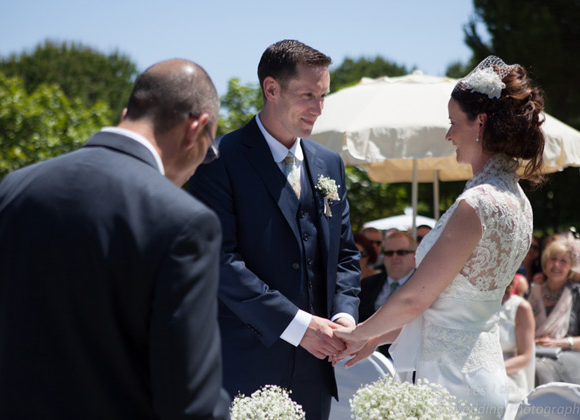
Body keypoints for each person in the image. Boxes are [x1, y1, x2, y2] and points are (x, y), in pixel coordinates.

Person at [0, 59, 230, 420]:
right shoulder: (184, 221)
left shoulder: (15, 188)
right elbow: (190, 405)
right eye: (209, 149)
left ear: (127, 113)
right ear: (195, 128)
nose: (202, 162)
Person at [333, 56, 546, 420]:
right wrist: (374, 339)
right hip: (484, 372)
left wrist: (357, 334)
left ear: (479, 123)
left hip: (447, 380)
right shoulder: (520, 204)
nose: (449, 135)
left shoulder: (476, 204)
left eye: (452, 123)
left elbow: (416, 298)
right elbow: (447, 302)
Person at [189, 40, 360, 420]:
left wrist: (344, 317)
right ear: (271, 89)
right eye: (307, 95)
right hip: (246, 367)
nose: (318, 109)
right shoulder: (218, 160)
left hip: (318, 371)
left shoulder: (330, 164)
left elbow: (346, 254)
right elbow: (220, 262)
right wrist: (298, 326)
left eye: (323, 96)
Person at [527, 239, 580, 386]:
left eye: (563, 261)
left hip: (569, 357)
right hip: (532, 351)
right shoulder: (531, 292)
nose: (556, 265)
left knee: (539, 369)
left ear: (570, 267)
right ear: (545, 262)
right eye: (553, 259)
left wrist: (556, 343)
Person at [357, 230, 416, 359]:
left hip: (409, 359)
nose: (394, 257)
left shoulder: (423, 285)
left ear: (415, 255)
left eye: (401, 252)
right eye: (389, 253)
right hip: (366, 360)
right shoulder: (367, 284)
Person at [499, 278, 535, 420]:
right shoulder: (473, 304)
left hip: (508, 375)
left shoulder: (520, 307)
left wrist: (492, 370)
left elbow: (525, 358)